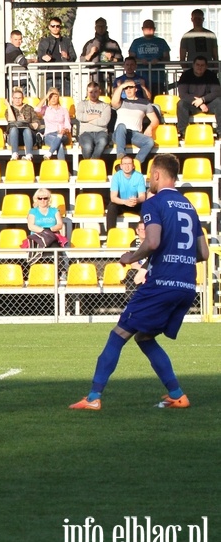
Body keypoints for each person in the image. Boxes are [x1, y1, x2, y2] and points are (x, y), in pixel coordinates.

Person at [69, 153, 209, 410]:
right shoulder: (190, 207)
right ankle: (177, 394)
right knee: (144, 337)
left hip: (162, 284)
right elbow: (204, 253)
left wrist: (130, 257)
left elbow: (152, 241)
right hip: (187, 285)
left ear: (156, 174)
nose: (148, 180)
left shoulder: (154, 204)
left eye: (149, 175)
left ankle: (93, 398)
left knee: (118, 335)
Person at [111, 80, 157, 165]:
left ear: (136, 89)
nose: (128, 90)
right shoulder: (121, 102)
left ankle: (136, 163)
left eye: (131, 87)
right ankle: (121, 157)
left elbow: (155, 120)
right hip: (119, 134)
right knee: (121, 126)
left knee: (149, 142)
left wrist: (150, 127)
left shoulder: (145, 103)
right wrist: (121, 86)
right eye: (126, 88)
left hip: (134, 134)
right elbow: (113, 102)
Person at [175, 56, 221, 140]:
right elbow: (183, 94)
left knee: (219, 102)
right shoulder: (186, 75)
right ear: (193, 65)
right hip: (192, 105)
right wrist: (199, 103)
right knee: (181, 103)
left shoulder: (211, 75)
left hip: (208, 105)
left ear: (206, 66)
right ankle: (182, 133)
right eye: (197, 65)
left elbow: (217, 92)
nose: (200, 67)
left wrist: (203, 100)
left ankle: (220, 132)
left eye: (202, 65)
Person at [128, 19, 171, 96]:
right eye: (146, 27)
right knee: (140, 99)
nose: (149, 29)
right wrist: (140, 61)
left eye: (151, 27)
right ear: (142, 29)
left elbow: (167, 58)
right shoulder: (136, 42)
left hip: (157, 78)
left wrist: (158, 60)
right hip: (140, 78)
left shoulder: (161, 41)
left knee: (156, 100)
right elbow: (131, 58)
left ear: (154, 29)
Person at [36, 17, 77, 95]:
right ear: (49, 27)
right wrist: (43, 58)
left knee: (65, 102)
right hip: (50, 76)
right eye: (53, 26)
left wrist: (67, 56)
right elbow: (39, 58)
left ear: (60, 27)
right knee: (51, 101)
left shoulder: (66, 41)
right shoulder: (44, 41)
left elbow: (73, 57)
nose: (55, 28)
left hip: (64, 76)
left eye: (57, 26)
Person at [80, 17, 123, 89]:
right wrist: (90, 53)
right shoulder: (89, 44)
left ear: (106, 27)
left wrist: (112, 59)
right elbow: (82, 61)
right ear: (95, 27)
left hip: (109, 78)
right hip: (94, 79)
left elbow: (121, 61)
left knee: (109, 99)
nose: (101, 28)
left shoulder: (113, 44)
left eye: (103, 26)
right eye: (99, 26)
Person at [106, 155, 147, 229]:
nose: (127, 166)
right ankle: (110, 235)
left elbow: (143, 197)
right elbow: (113, 197)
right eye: (124, 164)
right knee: (111, 207)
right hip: (121, 203)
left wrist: (136, 200)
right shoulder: (116, 176)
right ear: (121, 166)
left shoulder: (139, 176)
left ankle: (144, 233)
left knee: (146, 207)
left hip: (135, 203)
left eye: (129, 164)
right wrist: (125, 202)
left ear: (133, 166)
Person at [25, 188, 64, 262]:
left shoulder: (55, 210)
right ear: (36, 199)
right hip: (37, 237)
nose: (42, 200)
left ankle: (59, 271)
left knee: (56, 250)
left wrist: (50, 230)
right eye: (40, 198)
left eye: (45, 198)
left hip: (52, 237)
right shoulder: (33, 211)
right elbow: (31, 226)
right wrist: (44, 230)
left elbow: (60, 224)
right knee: (39, 249)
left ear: (49, 199)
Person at [75, 82, 112, 159]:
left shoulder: (105, 106)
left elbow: (104, 122)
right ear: (87, 92)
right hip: (85, 133)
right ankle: (91, 164)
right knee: (88, 147)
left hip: (101, 132)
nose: (93, 94)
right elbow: (79, 116)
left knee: (102, 142)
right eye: (90, 92)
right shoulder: (82, 104)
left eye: (95, 92)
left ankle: (91, 163)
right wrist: (96, 116)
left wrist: (88, 120)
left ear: (99, 92)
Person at [35, 87, 71, 160]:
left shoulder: (64, 110)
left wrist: (65, 130)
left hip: (63, 134)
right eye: (51, 97)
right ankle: (63, 168)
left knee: (60, 137)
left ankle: (49, 154)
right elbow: (36, 109)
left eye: (55, 96)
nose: (53, 99)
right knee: (59, 144)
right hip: (49, 134)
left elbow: (68, 126)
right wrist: (46, 96)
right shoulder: (45, 109)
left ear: (58, 97)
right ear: (48, 98)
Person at [5, 87, 39, 161]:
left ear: (23, 98)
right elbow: (11, 121)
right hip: (15, 137)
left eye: (19, 98)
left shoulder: (29, 108)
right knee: (13, 129)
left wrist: (26, 123)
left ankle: (29, 155)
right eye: (15, 98)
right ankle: (14, 154)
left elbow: (36, 124)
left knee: (26, 129)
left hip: (28, 136)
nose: (17, 100)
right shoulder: (9, 110)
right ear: (12, 99)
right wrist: (8, 106)